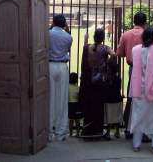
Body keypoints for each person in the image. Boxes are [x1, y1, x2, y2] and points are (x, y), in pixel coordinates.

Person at [79, 28, 116, 139]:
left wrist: (86, 39)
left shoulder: (87, 47)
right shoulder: (104, 48)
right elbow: (114, 55)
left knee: (89, 105)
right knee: (98, 106)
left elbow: (85, 47)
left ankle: (87, 130)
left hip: (88, 81)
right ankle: (97, 130)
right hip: (99, 81)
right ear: (103, 38)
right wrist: (105, 65)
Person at [116, 11, 147, 139]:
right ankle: (143, 131)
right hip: (147, 69)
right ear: (145, 22)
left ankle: (129, 129)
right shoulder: (148, 34)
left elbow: (119, 53)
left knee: (131, 98)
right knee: (145, 98)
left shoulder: (126, 34)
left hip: (133, 68)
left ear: (134, 21)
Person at [48, 14, 73, 142]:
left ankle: (48, 130)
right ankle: (61, 131)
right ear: (64, 24)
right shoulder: (68, 37)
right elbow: (67, 50)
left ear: (53, 22)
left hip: (50, 65)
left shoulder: (48, 34)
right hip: (62, 67)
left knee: (49, 97)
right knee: (62, 99)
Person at [104, 58, 123, 140]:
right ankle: (117, 132)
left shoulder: (107, 79)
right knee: (117, 116)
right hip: (117, 98)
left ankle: (108, 132)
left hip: (109, 99)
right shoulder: (118, 78)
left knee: (109, 117)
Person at [68, 72, 83, 137]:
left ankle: (70, 133)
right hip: (77, 105)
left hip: (70, 104)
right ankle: (77, 133)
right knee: (77, 120)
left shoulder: (67, 87)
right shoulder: (78, 88)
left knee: (71, 120)